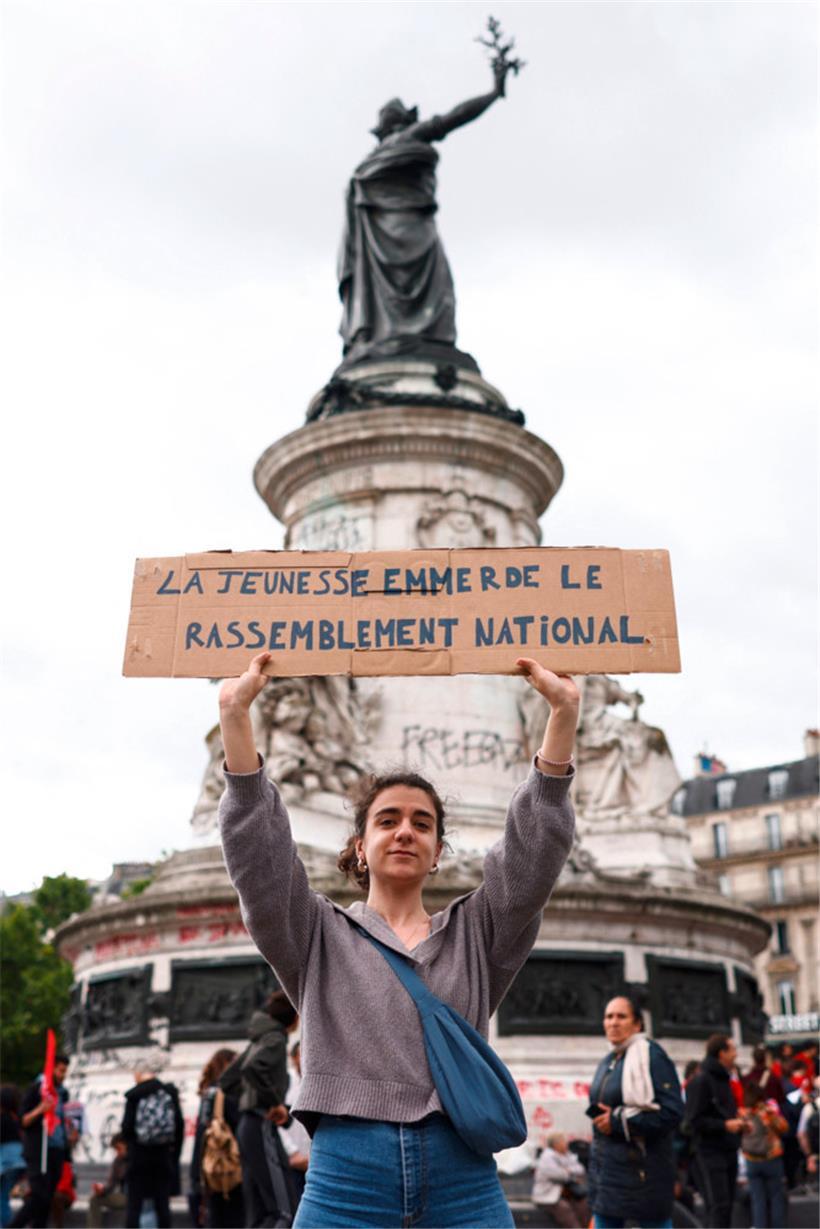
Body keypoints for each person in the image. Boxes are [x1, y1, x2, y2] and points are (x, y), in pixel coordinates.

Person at [217, 650, 578, 1229]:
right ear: (360, 848)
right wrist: (236, 718)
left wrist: (562, 717)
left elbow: (532, 856)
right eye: (387, 820)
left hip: (464, 1181)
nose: (405, 831)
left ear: (437, 853)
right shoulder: (315, 933)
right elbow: (261, 862)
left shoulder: (479, 932)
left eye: (422, 823)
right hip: (345, 1183)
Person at [337, 49, 517, 370]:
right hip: (391, 235)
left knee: (429, 291)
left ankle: (405, 337)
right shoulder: (393, 147)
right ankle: (393, 337)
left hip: (402, 231)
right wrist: (493, 92)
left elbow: (454, 118)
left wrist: (493, 93)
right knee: (420, 292)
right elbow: (454, 117)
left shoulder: (393, 147)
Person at [586, 995, 683, 1229]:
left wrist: (618, 1121)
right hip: (607, 1175)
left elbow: (672, 1112)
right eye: (609, 1016)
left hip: (644, 1175)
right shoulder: (609, 1060)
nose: (613, 1022)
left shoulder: (653, 1057)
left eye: (621, 1016)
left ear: (637, 1024)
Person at [683, 1033, 748, 1229]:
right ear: (722, 1053)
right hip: (710, 1151)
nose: (736, 1054)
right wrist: (725, 1125)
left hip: (727, 1148)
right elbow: (693, 1121)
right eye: (732, 1050)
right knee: (718, 1206)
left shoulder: (724, 1080)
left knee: (726, 1206)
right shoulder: (702, 1081)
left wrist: (739, 1122)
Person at [120, 1051, 184, 1229]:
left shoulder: (134, 1095)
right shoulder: (169, 1092)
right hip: (163, 1156)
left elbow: (126, 1128)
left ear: (139, 1073)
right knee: (162, 1204)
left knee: (135, 1204)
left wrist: (131, 1150)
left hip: (138, 1157)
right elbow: (179, 1126)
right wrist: (173, 1155)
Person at [10, 1053, 71, 1229]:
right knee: (39, 1195)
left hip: (56, 1150)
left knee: (47, 1198)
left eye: (65, 1071)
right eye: (60, 1070)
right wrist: (40, 1109)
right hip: (38, 1151)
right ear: (51, 1068)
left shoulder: (62, 1092)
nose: (63, 1075)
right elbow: (23, 1120)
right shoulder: (37, 1089)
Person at [190, 1048, 244, 1229]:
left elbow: (201, 1134)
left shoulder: (208, 1092)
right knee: (233, 1216)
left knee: (216, 1217)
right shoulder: (228, 1094)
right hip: (228, 1165)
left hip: (209, 1165)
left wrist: (196, 1173)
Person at [738, 1082, 787, 1229]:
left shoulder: (742, 1113)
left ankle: (759, 1225)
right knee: (776, 1197)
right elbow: (783, 1127)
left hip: (751, 1159)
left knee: (757, 1198)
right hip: (771, 1158)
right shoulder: (767, 1111)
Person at [531, 1131, 589, 1228]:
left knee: (583, 1205)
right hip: (549, 1197)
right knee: (564, 1209)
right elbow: (558, 1175)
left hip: (567, 1194)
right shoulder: (547, 1156)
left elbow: (580, 1169)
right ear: (556, 1144)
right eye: (563, 1142)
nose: (566, 1144)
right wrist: (570, 1173)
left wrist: (568, 1170)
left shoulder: (567, 1154)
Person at [86, 1133, 128, 1228]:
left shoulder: (136, 1158)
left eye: (119, 1148)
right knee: (94, 1199)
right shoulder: (118, 1161)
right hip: (124, 1196)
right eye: (115, 1149)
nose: (117, 1152)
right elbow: (111, 1184)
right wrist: (102, 1190)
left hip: (137, 1197)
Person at [1, 1087, 25, 1229]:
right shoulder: (15, 1119)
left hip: (6, 1162)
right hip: (18, 1162)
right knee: (3, 1196)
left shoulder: (3, 1120)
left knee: (1, 1198)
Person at [743, 1045, 786, 1112]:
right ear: (765, 1059)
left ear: (753, 1059)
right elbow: (781, 1099)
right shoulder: (773, 1078)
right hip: (770, 1114)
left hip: (753, 1114)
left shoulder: (747, 1079)